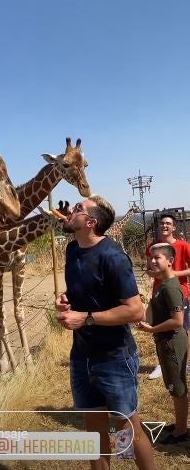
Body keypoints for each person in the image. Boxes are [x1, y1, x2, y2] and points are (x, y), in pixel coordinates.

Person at [55, 196, 156, 470]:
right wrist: (67, 300)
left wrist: (85, 318)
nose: (71, 211)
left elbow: (136, 311)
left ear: (90, 222)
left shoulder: (113, 256)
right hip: (81, 356)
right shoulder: (73, 250)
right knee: (94, 430)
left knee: (128, 429)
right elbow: (86, 292)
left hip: (114, 357)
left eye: (78, 209)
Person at [138, 243, 188, 444]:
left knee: (178, 387)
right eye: (150, 257)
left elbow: (177, 321)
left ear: (170, 261)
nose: (152, 261)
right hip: (165, 340)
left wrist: (151, 329)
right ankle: (180, 424)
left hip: (172, 342)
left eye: (157, 258)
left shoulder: (171, 287)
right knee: (173, 385)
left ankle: (181, 431)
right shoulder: (162, 284)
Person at [146, 213, 190, 379]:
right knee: (160, 330)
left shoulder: (184, 246)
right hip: (158, 294)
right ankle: (161, 363)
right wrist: (159, 274)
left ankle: (185, 363)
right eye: (162, 223)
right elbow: (149, 269)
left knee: (183, 329)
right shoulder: (153, 246)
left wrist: (174, 273)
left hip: (180, 293)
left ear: (174, 227)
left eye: (168, 223)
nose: (164, 226)